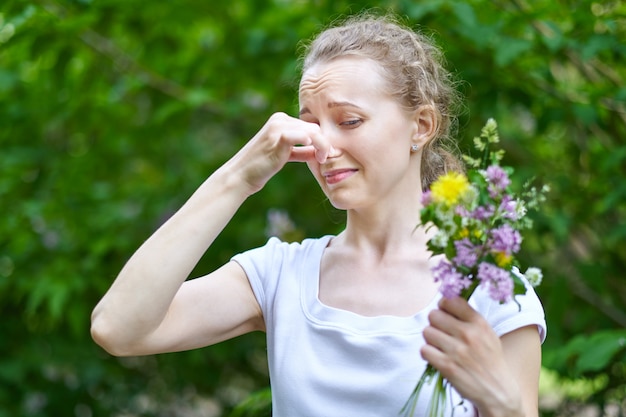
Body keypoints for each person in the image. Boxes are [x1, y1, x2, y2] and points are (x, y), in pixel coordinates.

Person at [91, 13, 546, 417]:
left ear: (421, 126)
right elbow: (118, 328)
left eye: (348, 121)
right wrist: (238, 178)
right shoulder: (281, 276)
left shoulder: (486, 287)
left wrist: (502, 404)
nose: (323, 146)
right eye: (310, 124)